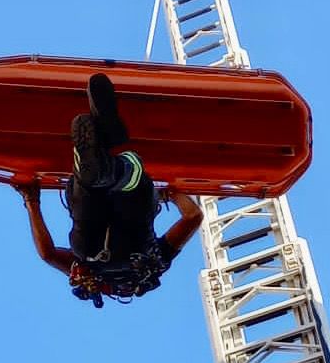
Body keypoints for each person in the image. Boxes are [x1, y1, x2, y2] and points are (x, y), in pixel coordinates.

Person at [15, 72, 203, 307]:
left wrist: (171, 194)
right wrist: (31, 200)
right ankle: (94, 169)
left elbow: (193, 217)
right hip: (89, 247)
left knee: (134, 177)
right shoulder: (89, 275)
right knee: (86, 188)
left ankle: (111, 164)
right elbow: (48, 254)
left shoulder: (156, 265)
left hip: (135, 240)